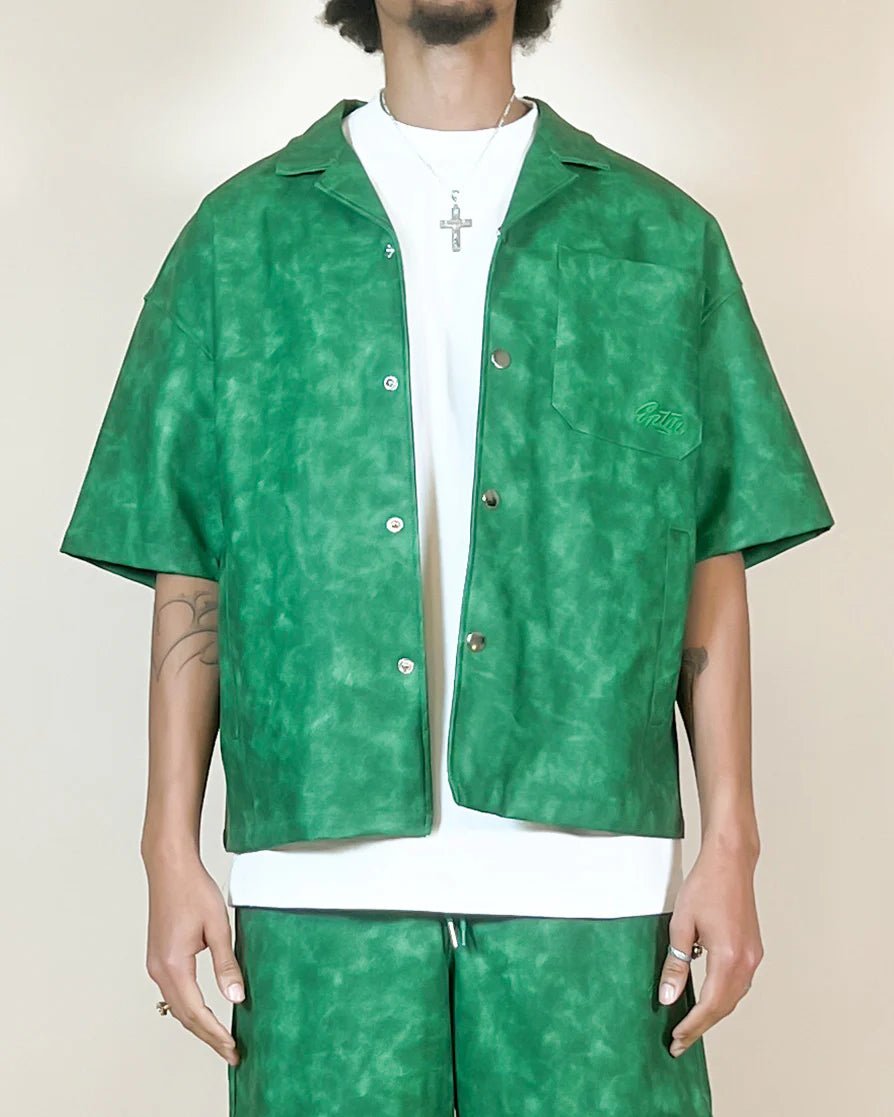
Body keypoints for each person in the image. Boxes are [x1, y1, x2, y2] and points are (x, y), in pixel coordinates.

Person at [59, 2, 835, 1113]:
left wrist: (734, 842)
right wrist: (166, 849)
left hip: (595, 884)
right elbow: (193, 564)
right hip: (318, 888)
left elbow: (707, 549)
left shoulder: (659, 238)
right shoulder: (239, 242)